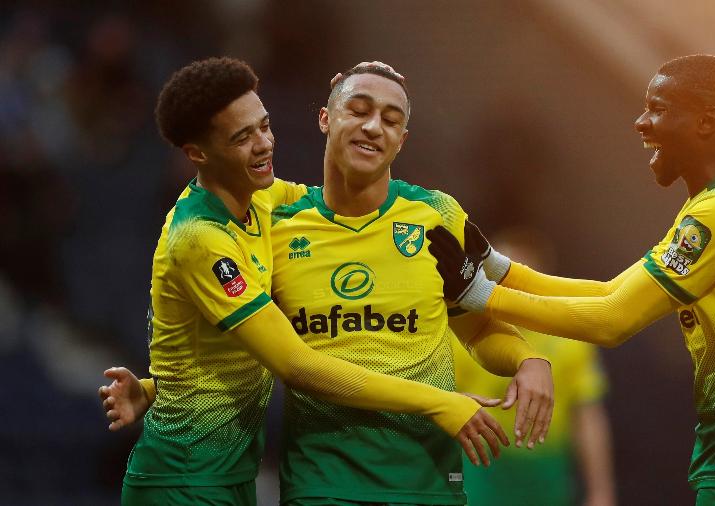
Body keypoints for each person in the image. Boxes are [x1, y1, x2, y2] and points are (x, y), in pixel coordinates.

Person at [428, 54, 715, 505]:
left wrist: (476, 294)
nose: (640, 123)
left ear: (706, 121)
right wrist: (499, 270)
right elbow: (610, 292)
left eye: (659, 109)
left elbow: (612, 320)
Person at [99, 57, 510, 506]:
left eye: (264, 126)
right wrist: (438, 401)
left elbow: (338, 202)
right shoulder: (200, 239)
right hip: (180, 481)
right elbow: (295, 364)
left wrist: (351, 99)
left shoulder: (261, 197)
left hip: (230, 476)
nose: (264, 145)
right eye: (242, 138)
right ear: (199, 153)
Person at [268, 63, 553, 505]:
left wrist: (529, 359)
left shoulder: (435, 215)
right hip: (323, 484)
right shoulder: (277, 229)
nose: (373, 126)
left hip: (429, 482)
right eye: (358, 110)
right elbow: (246, 344)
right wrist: (154, 388)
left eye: (390, 119)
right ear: (325, 118)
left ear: (402, 140)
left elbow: (475, 327)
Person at [451, 228, 616, 506]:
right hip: (479, 467)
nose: (508, 287)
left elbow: (587, 415)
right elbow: (436, 403)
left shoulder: (569, 338)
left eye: (515, 276)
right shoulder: (465, 333)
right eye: (497, 277)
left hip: (547, 470)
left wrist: (601, 491)